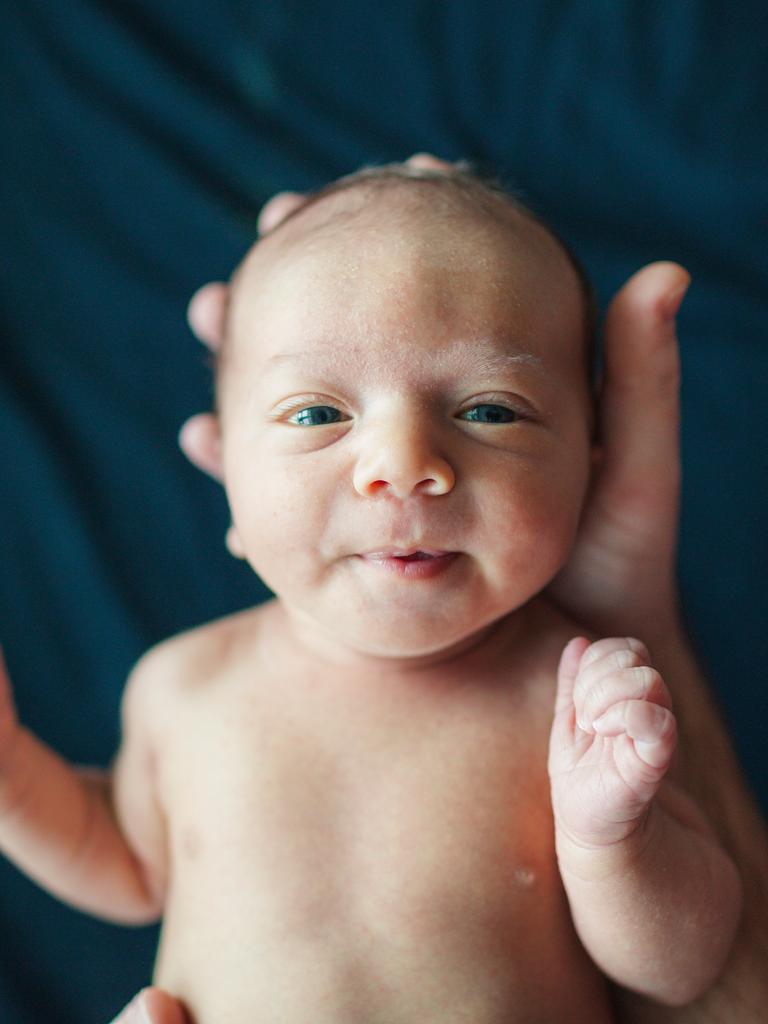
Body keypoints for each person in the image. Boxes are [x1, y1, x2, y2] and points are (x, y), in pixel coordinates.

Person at [0, 160, 750, 1023]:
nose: (401, 466)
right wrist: (15, 775)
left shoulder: (579, 703)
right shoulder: (182, 688)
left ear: (592, 464)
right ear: (228, 483)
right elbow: (123, 859)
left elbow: (684, 969)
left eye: (490, 409)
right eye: (317, 415)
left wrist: (614, 841)